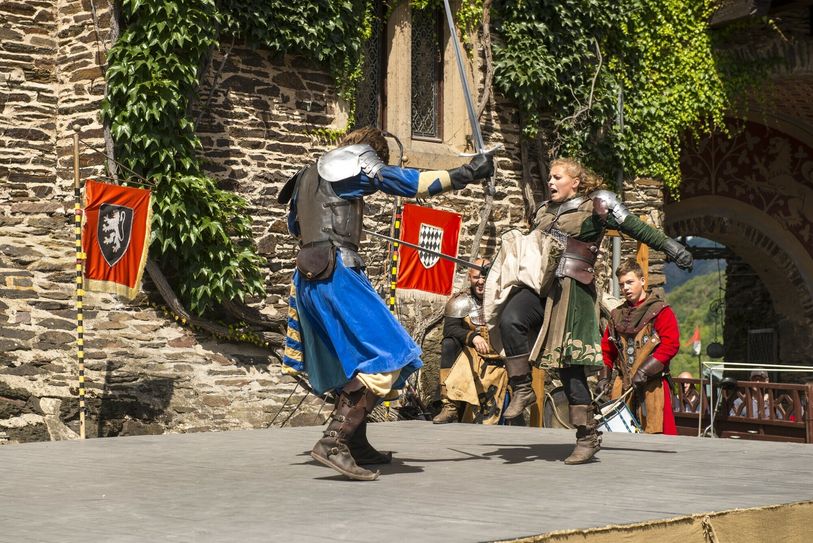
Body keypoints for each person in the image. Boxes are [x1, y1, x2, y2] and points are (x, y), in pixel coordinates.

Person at [279, 127, 494, 481]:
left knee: (352, 365)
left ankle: (356, 444)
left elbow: (294, 227)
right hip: (338, 275)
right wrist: (467, 173)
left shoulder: (305, 176)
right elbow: (404, 182)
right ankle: (335, 441)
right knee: (392, 353)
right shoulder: (357, 158)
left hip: (307, 277)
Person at [492, 158, 692, 464]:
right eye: (550, 177)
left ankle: (586, 436)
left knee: (568, 365)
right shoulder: (543, 211)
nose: (550, 182)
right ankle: (522, 387)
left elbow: (636, 226)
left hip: (573, 289)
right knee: (511, 319)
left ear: (575, 181)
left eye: (557, 177)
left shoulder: (596, 206)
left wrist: (671, 247)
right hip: (539, 286)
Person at [597, 258, 679, 435]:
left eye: (630, 282)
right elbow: (607, 350)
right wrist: (604, 377)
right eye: (622, 284)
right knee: (620, 438)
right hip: (622, 386)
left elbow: (670, 345)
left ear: (642, 281)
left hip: (653, 385)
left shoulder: (661, 311)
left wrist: (644, 371)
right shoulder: (616, 315)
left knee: (656, 439)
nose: (625, 288)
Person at [433, 259, 508, 425]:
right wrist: (473, 337)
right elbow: (450, 329)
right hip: (470, 357)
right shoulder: (460, 301)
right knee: (449, 344)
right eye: (476, 278)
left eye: (484, 278)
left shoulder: (504, 299)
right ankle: (449, 405)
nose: (480, 282)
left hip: (499, 357)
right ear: (470, 278)